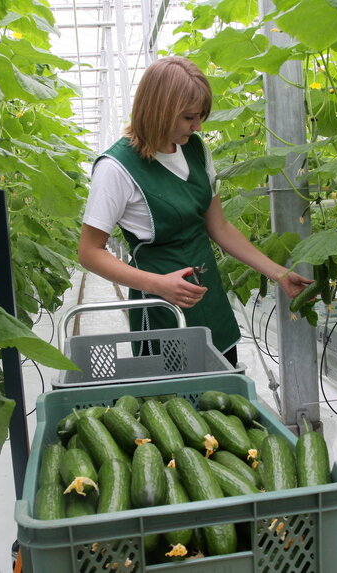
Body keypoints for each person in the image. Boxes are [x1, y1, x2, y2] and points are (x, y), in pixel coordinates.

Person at [78, 56, 312, 366]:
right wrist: (158, 285)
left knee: (223, 386)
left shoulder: (196, 149)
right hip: (162, 304)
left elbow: (220, 228)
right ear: (160, 111)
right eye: (189, 117)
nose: (198, 126)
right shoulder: (116, 168)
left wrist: (278, 273)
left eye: (200, 115)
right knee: (177, 400)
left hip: (208, 293)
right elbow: (89, 251)